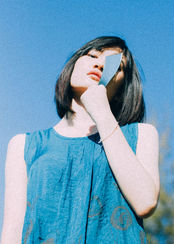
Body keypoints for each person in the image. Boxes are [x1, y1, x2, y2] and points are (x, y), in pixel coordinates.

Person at [0, 36, 160, 243]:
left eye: (116, 65)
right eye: (92, 55)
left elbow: (145, 201)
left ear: (122, 90)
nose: (100, 63)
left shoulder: (140, 135)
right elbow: (12, 231)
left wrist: (102, 112)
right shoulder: (24, 145)